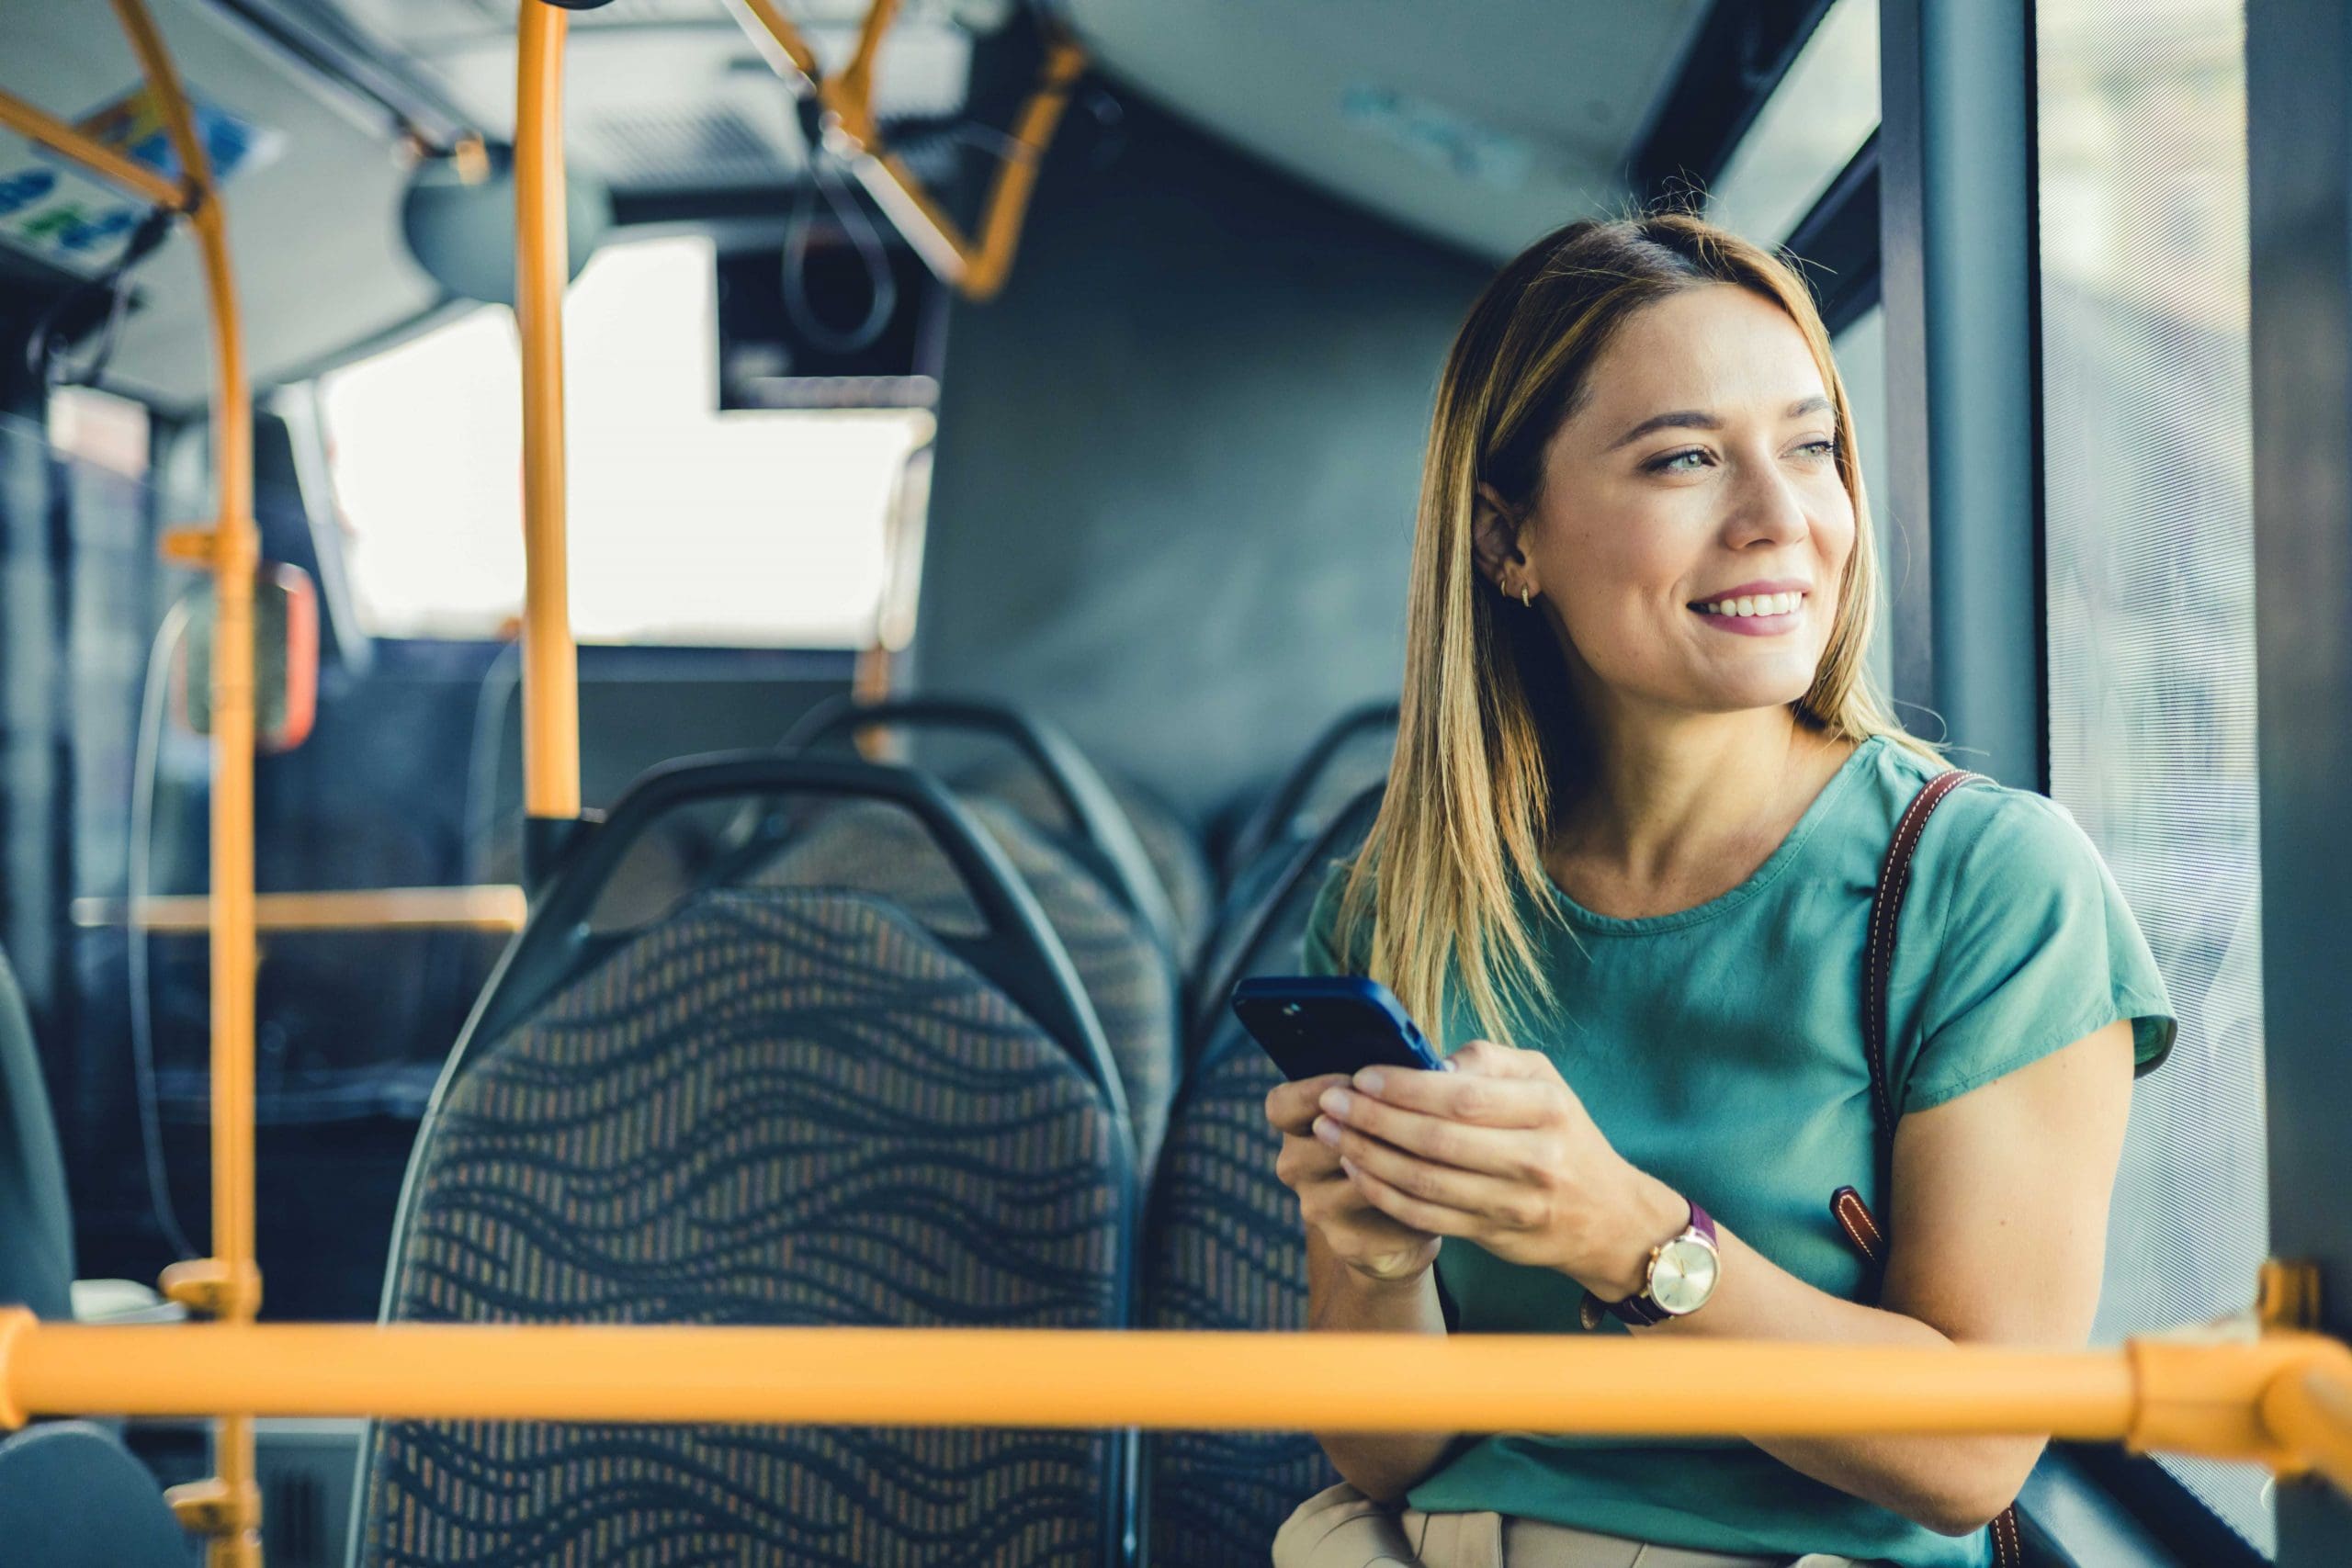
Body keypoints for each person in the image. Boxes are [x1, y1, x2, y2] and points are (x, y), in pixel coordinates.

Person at [1266, 210, 2176, 1568]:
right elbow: (1388, 1451)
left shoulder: (1988, 886)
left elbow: (1970, 1456)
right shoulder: (1403, 903)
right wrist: (1384, 1266)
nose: (1780, 520)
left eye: (1811, 449)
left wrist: (1626, 1236)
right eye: (1687, 459)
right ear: (1508, 540)